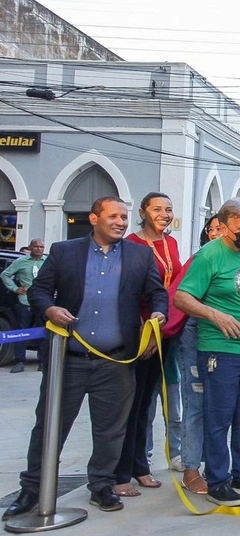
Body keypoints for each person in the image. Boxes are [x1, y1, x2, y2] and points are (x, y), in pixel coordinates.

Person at [2, 197, 167, 520]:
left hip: (116, 361)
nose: (121, 222)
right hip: (69, 360)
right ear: (94, 218)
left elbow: (156, 292)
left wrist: (159, 312)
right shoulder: (65, 252)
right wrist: (49, 309)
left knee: (111, 430)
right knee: (49, 426)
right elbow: (38, 291)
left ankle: (101, 485)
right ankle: (33, 488)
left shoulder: (140, 255)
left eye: (124, 217)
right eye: (113, 216)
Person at [174, 198, 240, 507]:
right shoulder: (209, 255)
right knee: (219, 417)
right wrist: (215, 315)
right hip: (220, 351)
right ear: (225, 227)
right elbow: (182, 297)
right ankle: (218, 480)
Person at [113, 193, 182, 498]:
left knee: (146, 408)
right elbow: (127, 291)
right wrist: (147, 328)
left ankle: (140, 467)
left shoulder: (172, 243)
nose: (164, 214)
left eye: (168, 210)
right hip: (140, 333)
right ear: (142, 212)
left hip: (165, 331)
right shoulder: (130, 244)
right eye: (157, 209)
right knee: (129, 404)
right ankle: (120, 472)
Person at [170, 214, 225, 495]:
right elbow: (181, 298)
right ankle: (191, 468)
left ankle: (215, 466)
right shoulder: (201, 258)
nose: (216, 232)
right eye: (212, 228)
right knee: (195, 401)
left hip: (227, 343)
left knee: (220, 406)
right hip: (195, 336)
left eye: (221, 228)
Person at [1, 237, 46, 373]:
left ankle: (42, 362)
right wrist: (15, 288)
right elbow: (5, 274)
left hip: (42, 301)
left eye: (41, 247)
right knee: (22, 332)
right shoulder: (21, 261)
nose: (39, 249)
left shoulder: (47, 262)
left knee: (42, 331)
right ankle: (20, 361)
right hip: (24, 301)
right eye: (36, 247)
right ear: (30, 247)